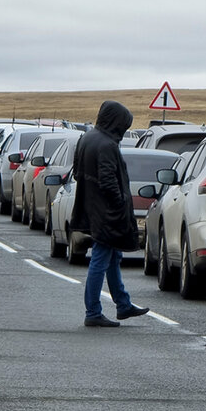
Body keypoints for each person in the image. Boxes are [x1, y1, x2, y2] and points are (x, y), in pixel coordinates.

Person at [70, 100, 150, 327]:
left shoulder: (87, 138)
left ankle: (123, 304)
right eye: (123, 125)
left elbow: (77, 172)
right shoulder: (107, 145)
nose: (123, 131)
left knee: (113, 257)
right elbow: (107, 181)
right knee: (100, 258)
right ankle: (93, 311)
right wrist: (120, 201)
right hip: (107, 213)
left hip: (93, 208)